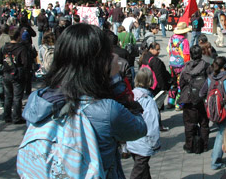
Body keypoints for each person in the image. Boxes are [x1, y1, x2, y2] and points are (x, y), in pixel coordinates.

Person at [22, 24, 147, 178]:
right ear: (99, 61)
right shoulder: (106, 110)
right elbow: (139, 127)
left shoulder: (38, 99)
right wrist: (115, 79)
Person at [199, 56, 226, 170]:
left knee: (221, 132)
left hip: (213, 111)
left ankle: (215, 154)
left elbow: (201, 94)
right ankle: (216, 161)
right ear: (224, 66)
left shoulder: (210, 78)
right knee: (222, 134)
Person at [127, 67, 161, 179]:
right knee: (137, 172)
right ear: (150, 81)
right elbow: (152, 124)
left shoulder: (129, 96)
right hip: (143, 143)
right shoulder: (148, 101)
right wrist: (154, 143)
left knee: (144, 170)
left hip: (131, 141)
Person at [178, 45, 210, 153]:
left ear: (191, 55)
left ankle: (189, 146)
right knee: (204, 123)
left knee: (189, 124)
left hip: (188, 99)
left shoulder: (186, 68)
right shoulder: (206, 66)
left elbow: (181, 83)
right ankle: (204, 145)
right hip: (202, 99)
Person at [0, 27, 29, 124]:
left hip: (6, 73)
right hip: (17, 75)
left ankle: (7, 115)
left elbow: (0, 61)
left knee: (8, 96)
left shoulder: (4, 47)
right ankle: (16, 117)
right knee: (17, 97)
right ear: (18, 36)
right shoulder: (21, 48)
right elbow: (25, 63)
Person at [0, 24, 10, 109]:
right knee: (7, 84)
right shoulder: (8, 38)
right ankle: (7, 102)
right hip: (6, 63)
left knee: (0, 83)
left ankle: (1, 101)